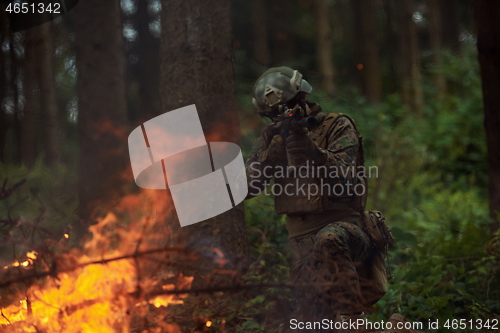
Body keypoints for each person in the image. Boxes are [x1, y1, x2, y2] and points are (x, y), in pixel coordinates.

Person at [244, 66, 378, 329]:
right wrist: (269, 158)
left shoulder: (337, 126)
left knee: (330, 238)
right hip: (302, 247)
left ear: (302, 98)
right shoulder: (271, 138)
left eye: (288, 107)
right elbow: (247, 189)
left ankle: (354, 323)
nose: (281, 117)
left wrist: (314, 154)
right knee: (311, 324)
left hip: (347, 234)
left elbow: (348, 179)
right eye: (273, 114)